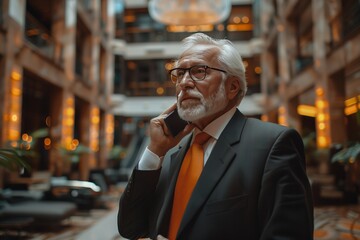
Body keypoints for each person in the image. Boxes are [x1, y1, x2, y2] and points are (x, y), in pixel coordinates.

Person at [117, 33, 314, 240]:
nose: (184, 83)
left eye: (199, 71)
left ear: (232, 87)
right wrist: (154, 151)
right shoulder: (170, 151)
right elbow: (130, 228)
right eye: (179, 73)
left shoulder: (273, 145)